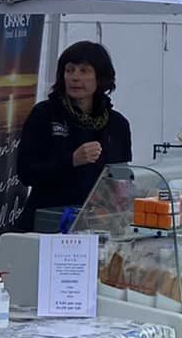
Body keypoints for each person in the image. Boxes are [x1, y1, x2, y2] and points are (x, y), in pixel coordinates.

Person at [14, 41, 132, 230]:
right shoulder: (44, 114)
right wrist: (71, 161)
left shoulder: (117, 124)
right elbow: (26, 172)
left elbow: (121, 178)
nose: (75, 78)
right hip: (49, 221)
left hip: (98, 224)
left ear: (100, 78)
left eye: (84, 71)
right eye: (69, 70)